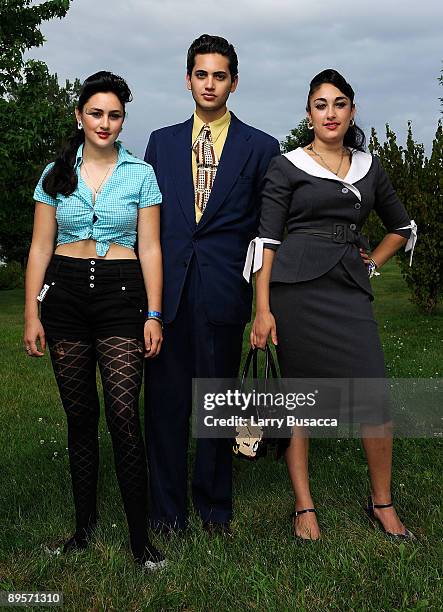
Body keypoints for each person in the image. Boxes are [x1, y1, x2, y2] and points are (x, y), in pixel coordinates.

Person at [246, 69, 417, 541]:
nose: (330, 113)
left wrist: (371, 264)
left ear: (352, 110)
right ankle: (304, 507)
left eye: (339, 103)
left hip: (347, 289)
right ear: (308, 114)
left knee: (374, 398)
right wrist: (262, 309)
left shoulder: (370, 167)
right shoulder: (286, 166)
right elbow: (266, 240)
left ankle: (381, 503)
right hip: (294, 291)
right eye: (321, 105)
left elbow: (401, 227)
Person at [23, 71, 166, 569]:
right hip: (63, 296)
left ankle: (141, 541)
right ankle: (82, 530)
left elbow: (150, 247)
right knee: (80, 419)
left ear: (123, 119)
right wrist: (30, 314)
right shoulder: (55, 173)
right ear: (80, 116)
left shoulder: (141, 174)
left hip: (121, 295)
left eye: (115, 115)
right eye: (96, 113)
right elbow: (40, 246)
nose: (105, 123)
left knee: (124, 415)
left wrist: (153, 312)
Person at [144, 34, 280, 534]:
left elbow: (266, 234)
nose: (209, 84)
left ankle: (215, 506)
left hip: (224, 292)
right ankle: (166, 511)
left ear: (234, 82)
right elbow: (149, 223)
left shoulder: (261, 148)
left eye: (219, 75)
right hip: (167, 293)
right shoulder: (160, 142)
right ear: (187, 79)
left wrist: (263, 306)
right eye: (200, 74)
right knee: (165, 404)